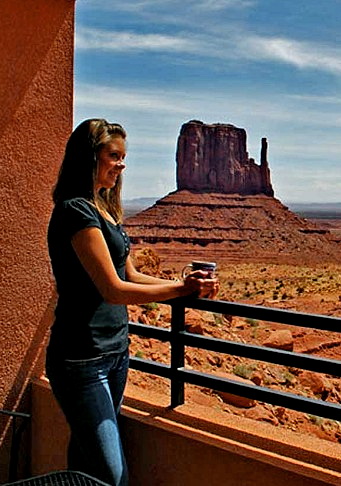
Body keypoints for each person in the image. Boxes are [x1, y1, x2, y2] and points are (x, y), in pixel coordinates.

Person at [45, 118, 218, 486]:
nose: (122, 165)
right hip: (81, 359)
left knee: (86, 460)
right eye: (114, 155)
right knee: (114, 475)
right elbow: (114, 290)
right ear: (89, 157)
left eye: (124, 157)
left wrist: (185, 283)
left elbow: (133, 276)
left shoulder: (105, 211)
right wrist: (181, 292)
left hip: (115, 353)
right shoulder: (76, 211)